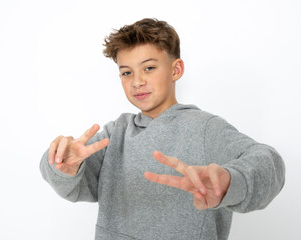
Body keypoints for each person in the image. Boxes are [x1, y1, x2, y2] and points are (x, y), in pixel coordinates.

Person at [40, 18, 285, 240]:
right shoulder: (116, 133)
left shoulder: (206, 129)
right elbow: (75, 186)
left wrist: (232, 181)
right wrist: (62, 166)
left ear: (175, 70)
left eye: (149, 68)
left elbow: (268, 162)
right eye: (126, 72)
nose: (137, 81)